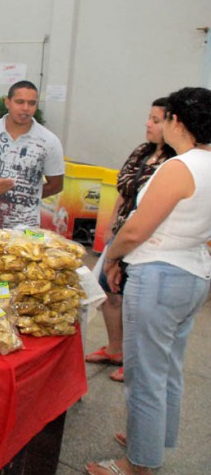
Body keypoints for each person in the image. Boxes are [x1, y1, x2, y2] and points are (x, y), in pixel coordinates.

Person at [85, 87, 211, 475]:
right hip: (192, 273)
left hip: (160, 274)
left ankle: (138, 465)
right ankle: (153, 438)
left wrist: (114, 257)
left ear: (177, 121)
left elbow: (137, 228)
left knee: (144, 372)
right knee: (168, 366)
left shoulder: (180, 167)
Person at [84, 98, 176, 383]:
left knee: (135, 301)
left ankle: (135, 360)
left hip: (146, 238)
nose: (148, 124)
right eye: (149, 118)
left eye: (156, 120)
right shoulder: (142, 152)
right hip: (122, 233)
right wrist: (112, 224)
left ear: (174, 124)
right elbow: (124, 191)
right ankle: (115, 349)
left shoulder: (175, 163)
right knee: (108, 291)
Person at [0, 81, 64, 238]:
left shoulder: (49, 141)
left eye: (31, 103)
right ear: (7, 102)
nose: (25, 108)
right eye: (20, 102)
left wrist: (27, 196)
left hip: (25, 228)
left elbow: (56, 185)